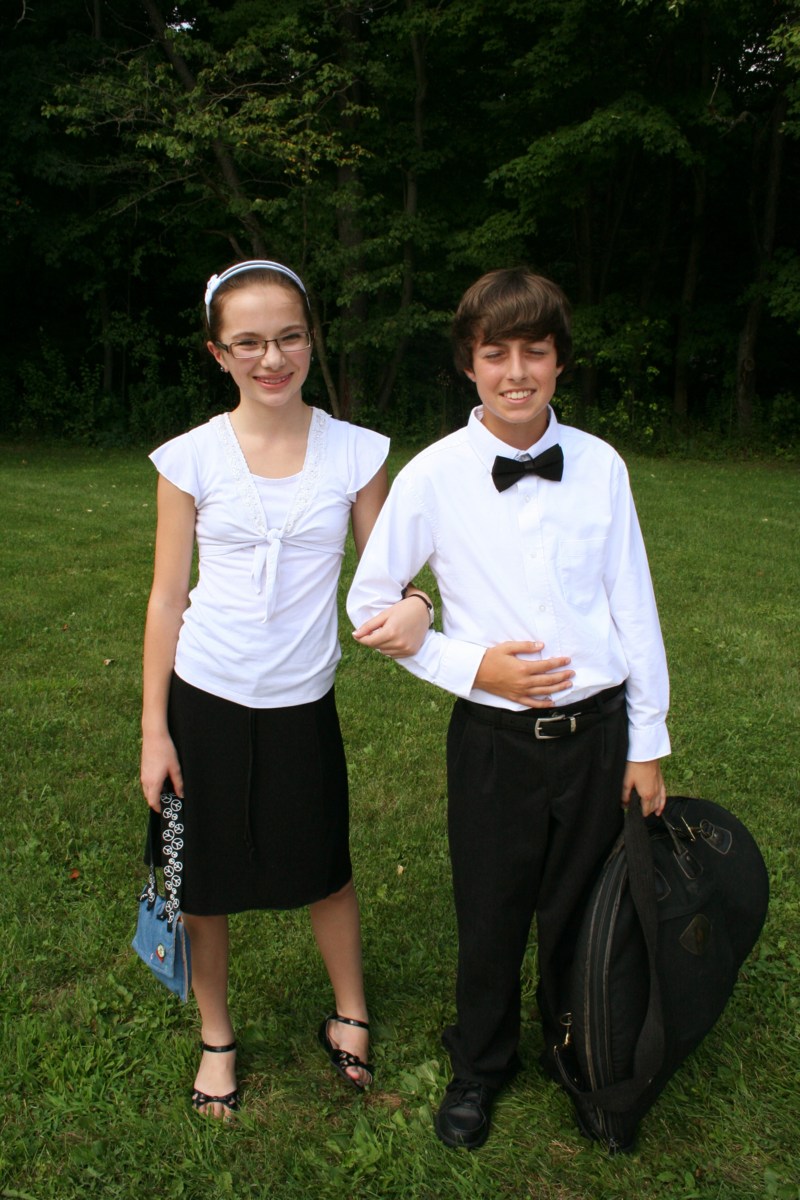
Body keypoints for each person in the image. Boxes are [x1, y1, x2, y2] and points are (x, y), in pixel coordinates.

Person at [347, 267, 670, 1150]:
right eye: (497, 354)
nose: (516, 372)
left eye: (535, 351)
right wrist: (472, 665)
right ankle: (481, 1065)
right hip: (493, 742)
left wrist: (647, 744)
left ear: (560, 361)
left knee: (582, 911)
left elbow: (634, 608)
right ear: (469, 363)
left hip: (598, 736)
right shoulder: (434, 475)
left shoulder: (601, 466)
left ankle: (579, 1049)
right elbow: (371, 604)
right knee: (490, 913)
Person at [140, 259, 431, 1118]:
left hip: (303, 701)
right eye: (249, 342)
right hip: (205, 696)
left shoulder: (357, 452)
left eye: (290, 337)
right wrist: (154, 729)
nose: (272, 358)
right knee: (204, 882)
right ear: (218, 353)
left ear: (311, 339)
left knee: (325, 866)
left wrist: (416, 606)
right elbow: (166, 597)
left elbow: (386, 577)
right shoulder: (189, 459)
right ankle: (217, 1036)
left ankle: (351, 1011)